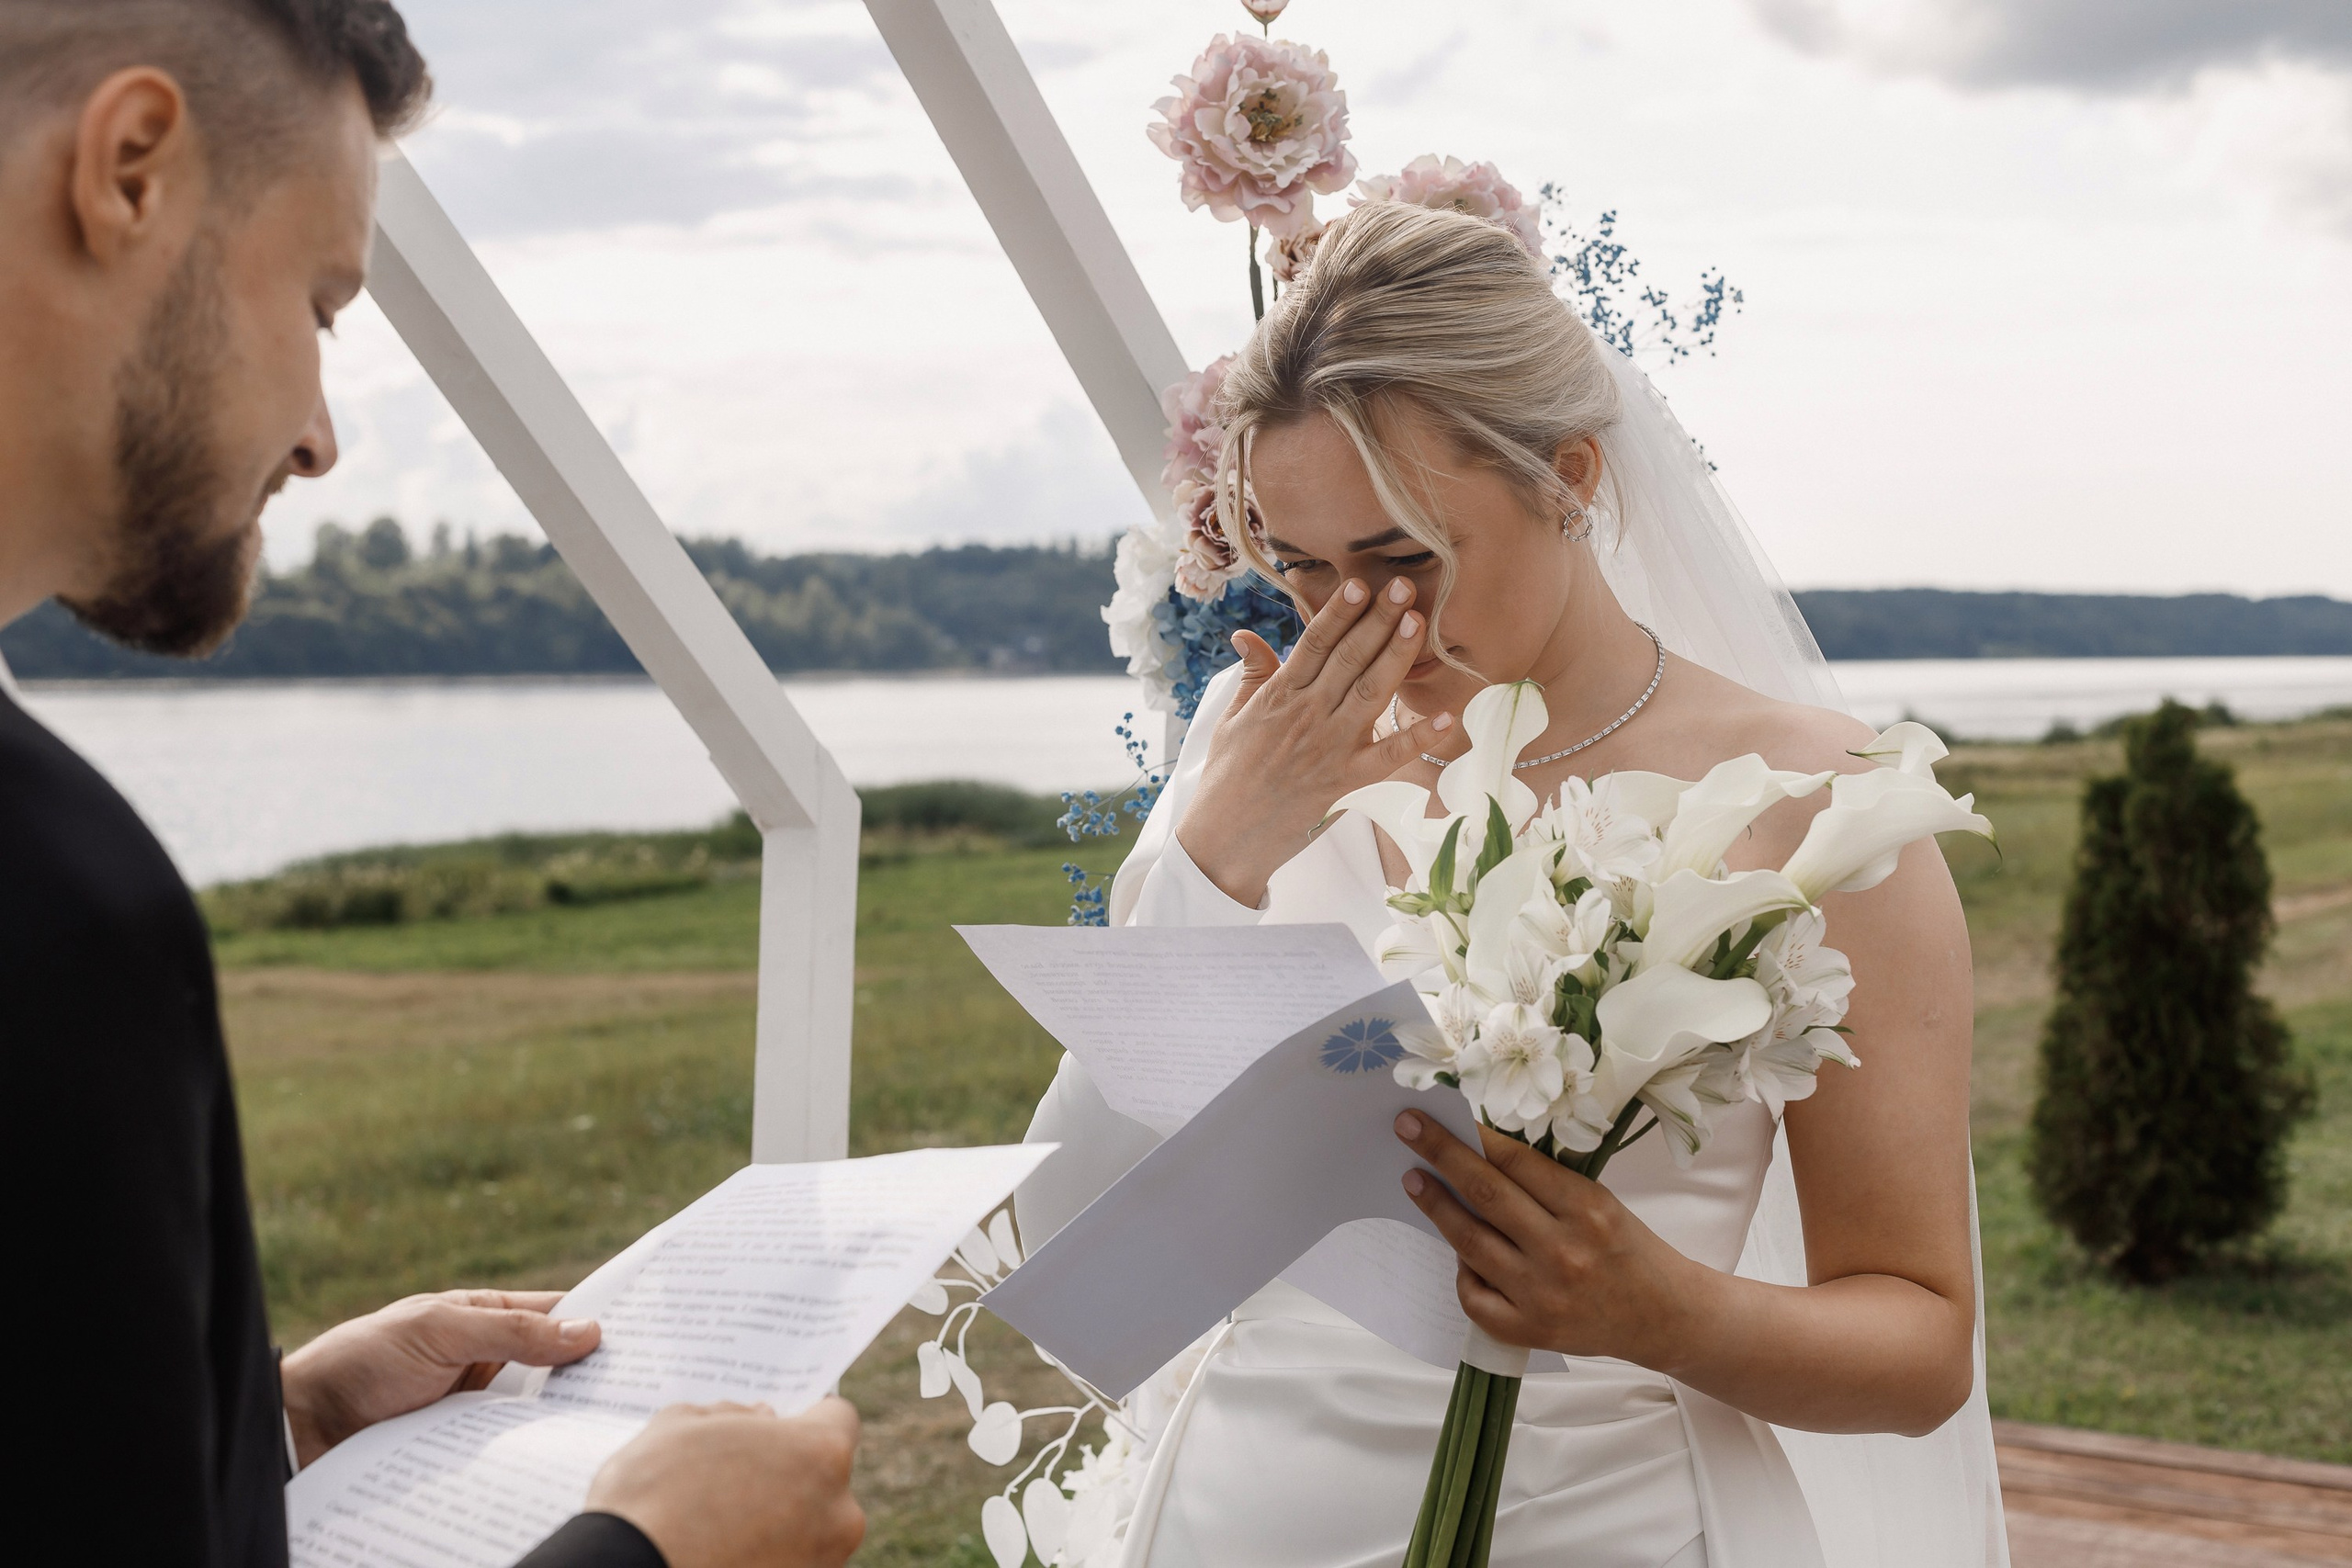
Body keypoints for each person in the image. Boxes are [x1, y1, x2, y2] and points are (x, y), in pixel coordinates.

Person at [1016, 201, 2007, 1567]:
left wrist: (1662, 1312)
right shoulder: (1244, 768)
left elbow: (1918, 1347)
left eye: (1403, 557)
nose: (1353, 622)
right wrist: (1213, 858)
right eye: (1302, 568)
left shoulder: (1821, 809)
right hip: (1234, 1522)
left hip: (1617, 1526)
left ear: (1572, 478)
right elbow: (1067, 1228)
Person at [0, 3, 864, 1565]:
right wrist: (650, 1554)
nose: (321, 437)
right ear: (131, 169)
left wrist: (267, 1424)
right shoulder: (49, 908)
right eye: (323, 300)